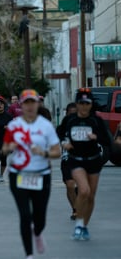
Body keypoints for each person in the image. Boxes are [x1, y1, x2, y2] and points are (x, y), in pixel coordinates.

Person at [2, 89, 61, 259]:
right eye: (26, 103)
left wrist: (44, 153)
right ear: (21, 105)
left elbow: (57, 151)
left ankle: (38, 232)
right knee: (25, 215)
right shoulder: (14, 125)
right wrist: (10, 147)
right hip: (18, 174)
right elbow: (4, 149)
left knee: (40, 217)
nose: (29, 106)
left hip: (41, 174)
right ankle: (29, 254)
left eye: (32, 103)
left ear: (37, 104)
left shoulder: (46, 125)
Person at [57, 88, 112, 241]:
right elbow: (59, 132)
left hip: (93, 160)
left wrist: (96, 137)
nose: (84, 106)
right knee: (84, 190)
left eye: (87, 103)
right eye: (81, 103)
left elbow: (108, 141)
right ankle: (79, 224)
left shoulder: (96, 120)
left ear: (90, 104)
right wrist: (64, 142)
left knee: (91, 196)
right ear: (77, 103)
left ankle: (83, 226)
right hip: (76, 160)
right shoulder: (70, 120)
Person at [56, 102, 78, 220]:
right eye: (70, 114)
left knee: (81, 188)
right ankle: (75, 209)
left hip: (82, 160)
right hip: (67, 159)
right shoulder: (62, 128)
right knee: (69, 185)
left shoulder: (84, 125)